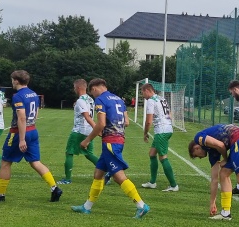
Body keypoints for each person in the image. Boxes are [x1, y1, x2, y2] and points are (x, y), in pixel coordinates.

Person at [71, 78, 150, 218]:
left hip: (110, 142)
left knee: (118, 176)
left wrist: (87, 140)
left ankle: (141, 205)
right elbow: (126, 122)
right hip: (119, 139)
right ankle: (87, 207)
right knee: (98, 173)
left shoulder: (101, 99)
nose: (93, 95)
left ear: (94, 89)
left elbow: (101, 124)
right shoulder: (119, 99)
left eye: (92, 93)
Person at [0, 70, 62, 203]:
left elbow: (22, 118)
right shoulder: (34, 94)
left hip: (18, 132)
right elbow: (35, 114)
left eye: (12, 80)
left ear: (16, 81)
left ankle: (0, 195)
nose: (12, 82)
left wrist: (22, 139)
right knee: (35, 162)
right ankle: (55, 188)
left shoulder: (18, 96)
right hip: (33, 130)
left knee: (5, 163)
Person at [57, 79, 99, 184]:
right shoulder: (90, 99)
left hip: (79, 130)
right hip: (89, 131)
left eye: (74, 87)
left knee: (69, 152)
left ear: (78, 88)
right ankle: (106, 171)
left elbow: (87, 116)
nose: (74, 89)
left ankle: (67, 179)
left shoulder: (81, 100)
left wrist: (97, 129)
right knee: (89, 154)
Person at [139, 83, 178, 191]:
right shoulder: (162, 98)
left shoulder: (151, 101)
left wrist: (145, 133)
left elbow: (148, 121)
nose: (143, 95)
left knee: (162, 157)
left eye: (142, 93)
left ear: (147, 90)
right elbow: (170, 114)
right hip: (167, 128)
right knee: (152, 154)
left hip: (161, 131)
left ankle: (174, 185)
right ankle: (152, 182)